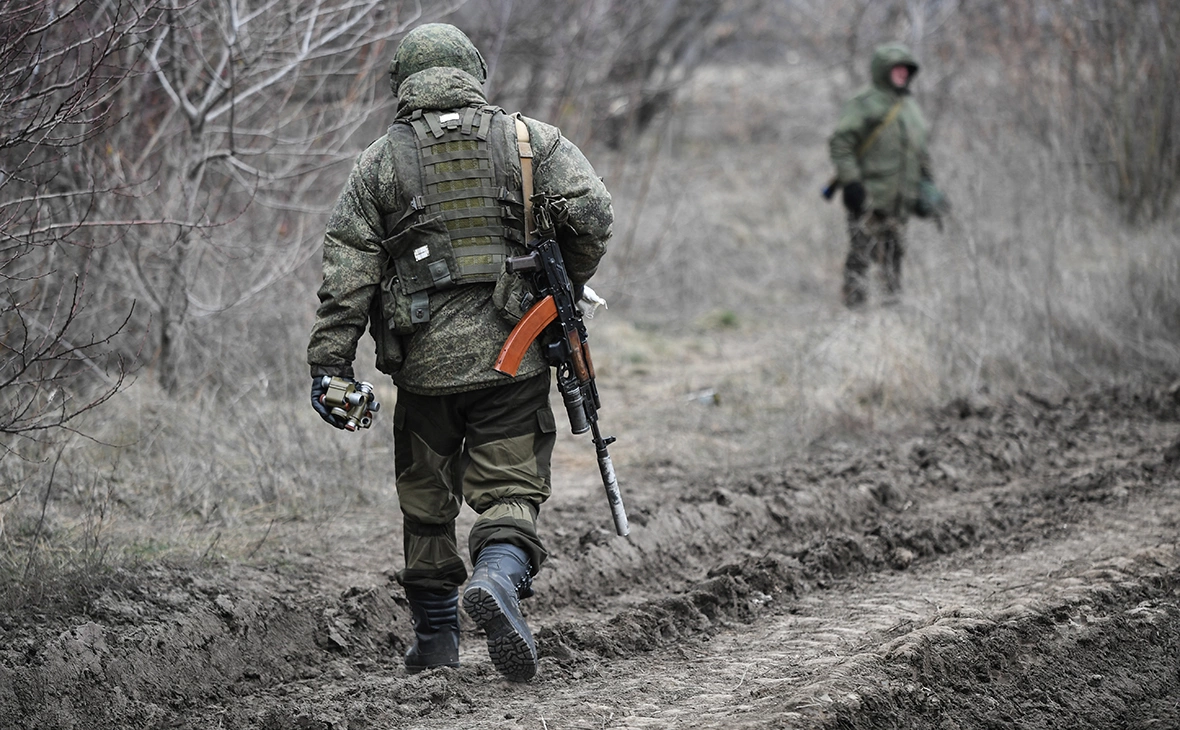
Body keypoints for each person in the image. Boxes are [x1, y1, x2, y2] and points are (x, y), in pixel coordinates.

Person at [305, 23, 613, 682]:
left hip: (423, 372)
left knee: (426, 503)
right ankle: (499, 579)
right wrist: (565, 288)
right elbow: (593, 214)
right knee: (509, 489)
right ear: (473, 71)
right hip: (516, 356)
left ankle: (437, 641)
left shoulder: (381, 160)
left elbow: (347, 273)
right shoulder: (530, 141)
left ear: (403, 82)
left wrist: (330, 365)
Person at [828, 42, 940, 307]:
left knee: (894, 257)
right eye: (896, 69)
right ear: (882, 70)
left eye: (906, 70)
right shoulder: (863, 103)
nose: (902, 74)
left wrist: (928, 188)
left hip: (900, 199)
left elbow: (920, 151)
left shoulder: (909, 106)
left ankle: (892, 314)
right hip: (868, 197)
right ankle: (854, 316)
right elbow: (841, 144)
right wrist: (852, 183)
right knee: (861, 255)